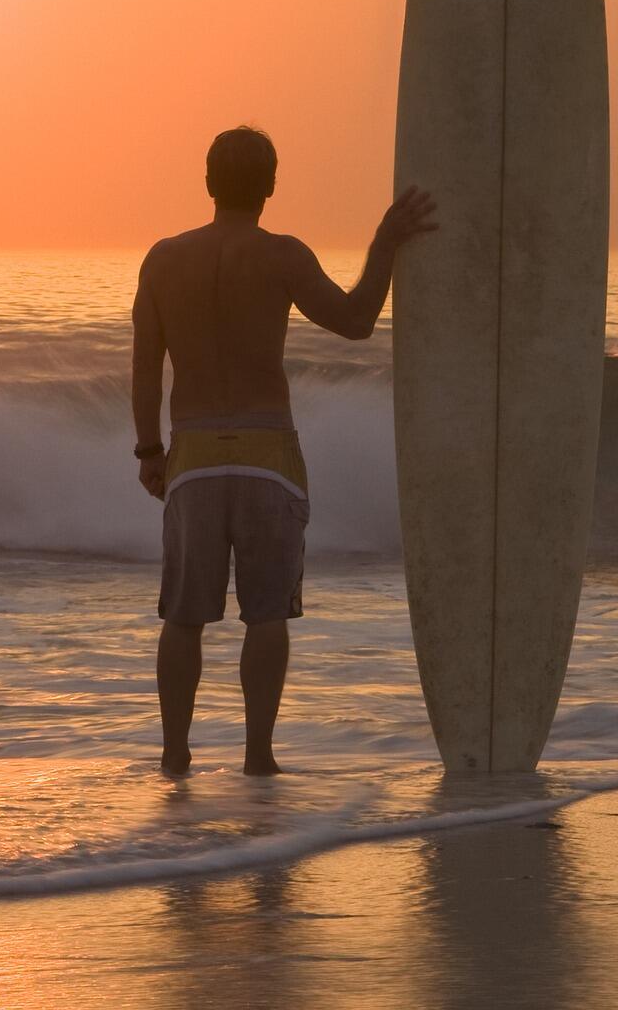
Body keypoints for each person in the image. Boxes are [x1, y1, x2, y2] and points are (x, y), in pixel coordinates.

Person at [130, 125, 437, 775]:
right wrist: (385, 243)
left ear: (208, 182)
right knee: (266, 615)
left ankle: (175, 754)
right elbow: (356, 322)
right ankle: (258, 757)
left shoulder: (162, 260)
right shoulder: (283, 256)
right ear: (270, 186)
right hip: (267, 455)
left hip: (194, 457)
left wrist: (150, 452)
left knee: (183, 617)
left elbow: (144, 369)